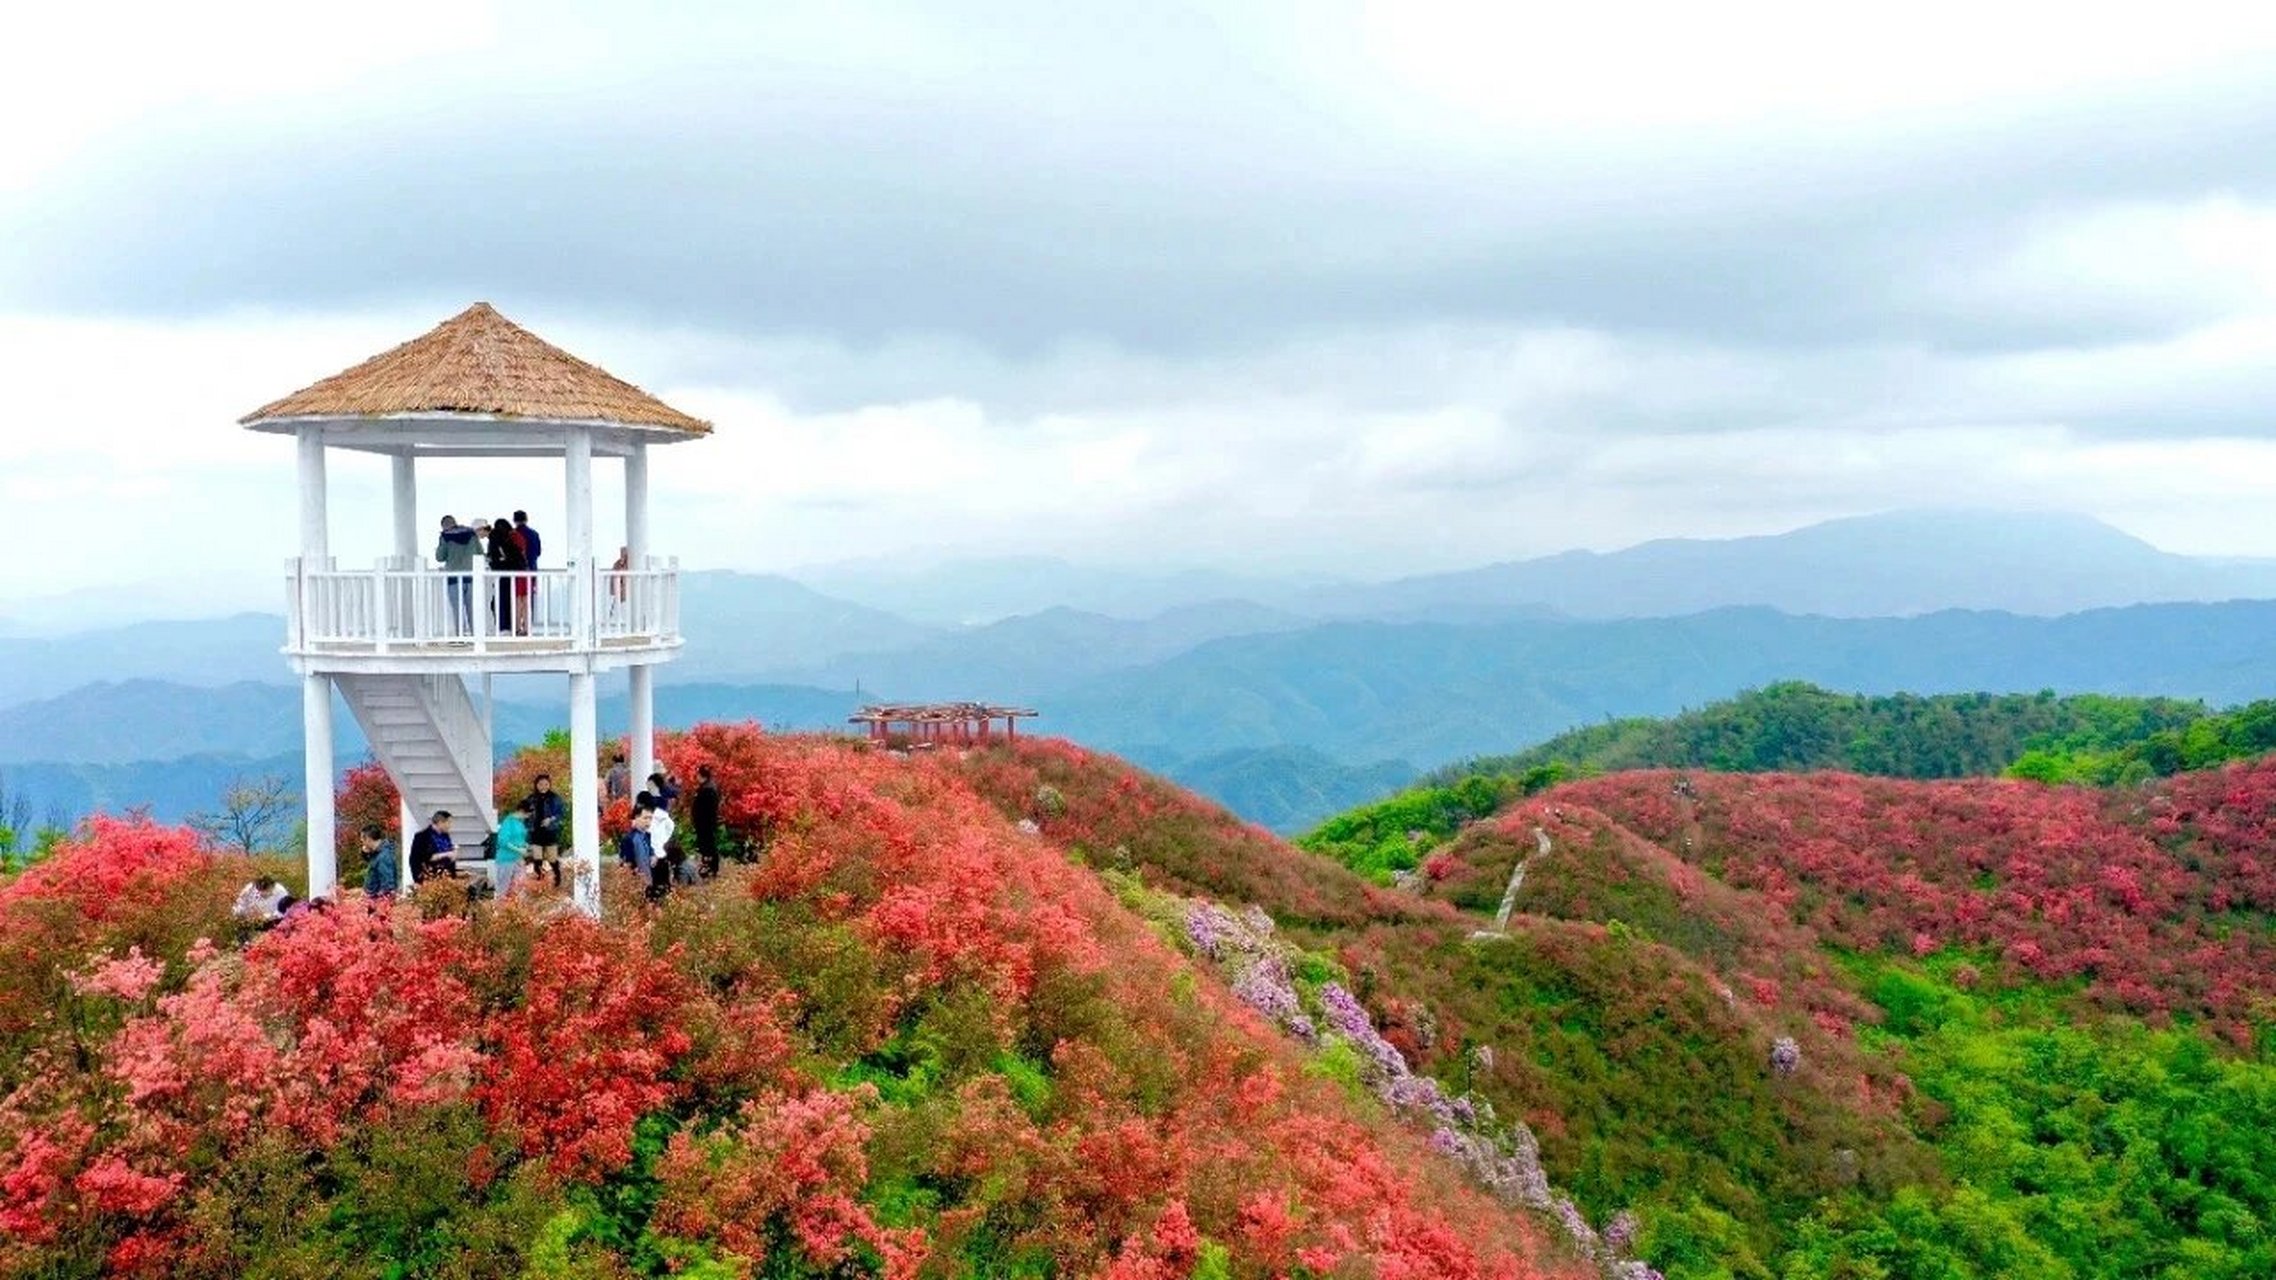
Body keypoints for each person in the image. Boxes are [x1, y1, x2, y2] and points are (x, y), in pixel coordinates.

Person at [435, 516, 482, 636]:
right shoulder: (471, 534)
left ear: (444, 526)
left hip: (453, 579)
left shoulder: (445, 536)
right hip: (470, 577)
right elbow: (480, 552)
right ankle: (476, 635)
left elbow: (440, 557)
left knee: (458, 609)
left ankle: (460, 636)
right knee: (472, 608)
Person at [487, 517, 528, 634]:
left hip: (504, 573)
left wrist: (495, 563)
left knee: (501, 600)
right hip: (518, 572)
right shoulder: (512, 537)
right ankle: (516, 627)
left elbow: (495, 557)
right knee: (517, 600)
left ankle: (504, 626)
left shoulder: (497, 537)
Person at [525, 774, 566, 888]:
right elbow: (524, 814)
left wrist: (551, 819)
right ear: (536, 785)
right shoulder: (531, 798)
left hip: (550, 831)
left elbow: (561, 813)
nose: (543, 787)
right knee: (537, 858)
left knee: (552, 858)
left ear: (549, 785)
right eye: (541, 784)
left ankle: (557, 878)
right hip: (535, 831)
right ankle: (540, 881)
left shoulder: (555, 798)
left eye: (546, 784)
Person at [409, 810, 458, 882]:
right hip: (429, 877)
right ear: (440, 822)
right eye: (448, 822)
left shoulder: (445, 836)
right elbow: (418, 859)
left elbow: (449, 855)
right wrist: (447, 854)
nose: (450, 826)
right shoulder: (422, 836)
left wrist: (453, 853)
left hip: (446, 877)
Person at [493, 799, 530, 893]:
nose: (529, 816)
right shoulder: (508, 822)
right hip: (506, 860)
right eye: (528, 814)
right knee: (503, 890)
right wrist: (519, 850)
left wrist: (525, 845)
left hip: (518, 860)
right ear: (522, 811)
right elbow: (503, 842)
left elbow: (519, 838)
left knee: (520, 889)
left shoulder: (520, 822)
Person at [692, 764, 722, 879]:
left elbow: (706, 809)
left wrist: (699, 820)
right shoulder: (708, 787)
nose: (696, 777)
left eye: (697, 775)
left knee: (707, 845)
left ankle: (710, 867)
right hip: (705, 823)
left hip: (705, 823)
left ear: (701, 775)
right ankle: (709, 866)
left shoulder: (707, 789)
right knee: (707, 845)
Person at [359, 824, 400, 897]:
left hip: (378, 900)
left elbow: (387, 885)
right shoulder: (377, 853)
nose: (363, 844)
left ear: (368, 839)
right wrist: (365, 854)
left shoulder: (383, 856)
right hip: (373, 897)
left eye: (363, 841)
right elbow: (373, 865)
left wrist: (373, 896)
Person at [617, 804, 655, 880]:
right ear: (636, 818)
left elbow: (651, 856)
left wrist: (653, 856)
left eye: (650, 818)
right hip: (636, 882)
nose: (648, 821)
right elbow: (626, 864)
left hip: (649, 880)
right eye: (645, 818)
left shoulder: (648, 836)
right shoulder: (629, 838)